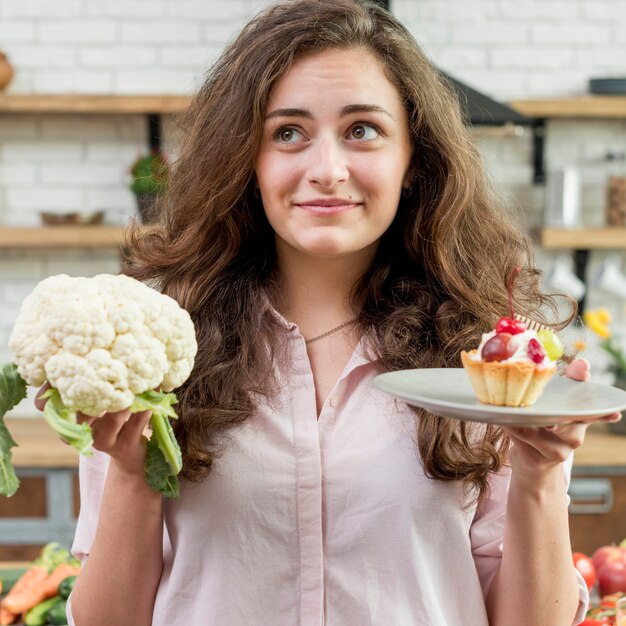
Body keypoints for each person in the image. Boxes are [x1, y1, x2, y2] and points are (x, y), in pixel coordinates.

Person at [40, 1, 620, 625]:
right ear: (247, 161)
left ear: (414, 161)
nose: (327, 170)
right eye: (287, 132)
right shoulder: (161, 351)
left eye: (362, 130)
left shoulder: (480, 359)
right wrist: (130, 471)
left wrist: (540, 474)